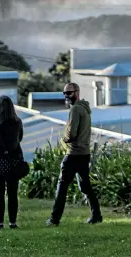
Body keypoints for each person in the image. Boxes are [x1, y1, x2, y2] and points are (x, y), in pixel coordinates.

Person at [47, 83, 102, 226]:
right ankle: (97, 215)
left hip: (73, 153)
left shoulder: (76, 109)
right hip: (84, 153)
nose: (66, 96)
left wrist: (64, 138)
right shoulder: (85, 109)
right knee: (85, 186)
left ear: (77, 92)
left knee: (62, 186)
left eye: (69, 93)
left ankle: (54, 219)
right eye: (64, 93)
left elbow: (72, 133)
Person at [0, 95, 24, 229]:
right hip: (13, 161)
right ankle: (13, 222)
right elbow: (20, 138)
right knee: (13, 193)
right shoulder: (18, 122)